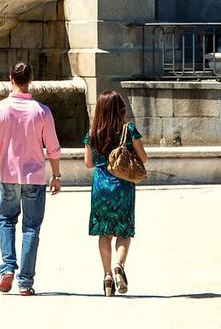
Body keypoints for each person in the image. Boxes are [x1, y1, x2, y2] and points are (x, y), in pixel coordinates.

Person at [0, 61, 62, 296]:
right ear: (31, 79)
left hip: (7, 176)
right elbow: (54, 149)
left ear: (10, 79)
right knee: (31, 228)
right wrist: (56, 176)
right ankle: (25, 282)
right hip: (35, 178)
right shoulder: (42, 111)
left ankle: (7, 267)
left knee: (7, 221)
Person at [84, 89, 147, 297]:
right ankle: (119, 265)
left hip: (101, 185)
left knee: (104, 232)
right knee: (123, 230)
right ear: (120, 108)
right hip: (123, 185)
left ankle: (107, 276)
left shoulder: (93, 133)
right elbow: (144, 158)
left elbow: (88, 163)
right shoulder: (128, 130)